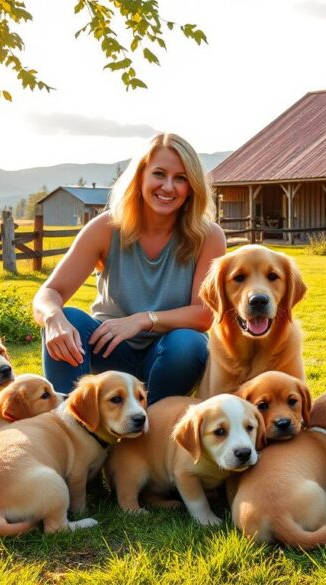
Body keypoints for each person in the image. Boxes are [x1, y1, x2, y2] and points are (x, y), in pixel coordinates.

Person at [33, 133, 226, 404]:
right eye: (159, 174)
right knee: (70, 319)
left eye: (181, 178)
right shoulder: (106, 228)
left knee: (189, 342)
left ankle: (151, 428)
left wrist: (142, 319)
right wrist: (53, 319)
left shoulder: (208, 236)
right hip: (110, 349)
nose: (168, 187)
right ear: (140, 177)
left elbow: (204, 315)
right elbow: (49, 292)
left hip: (169, 356)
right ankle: (66, 425)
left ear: (192, 186)